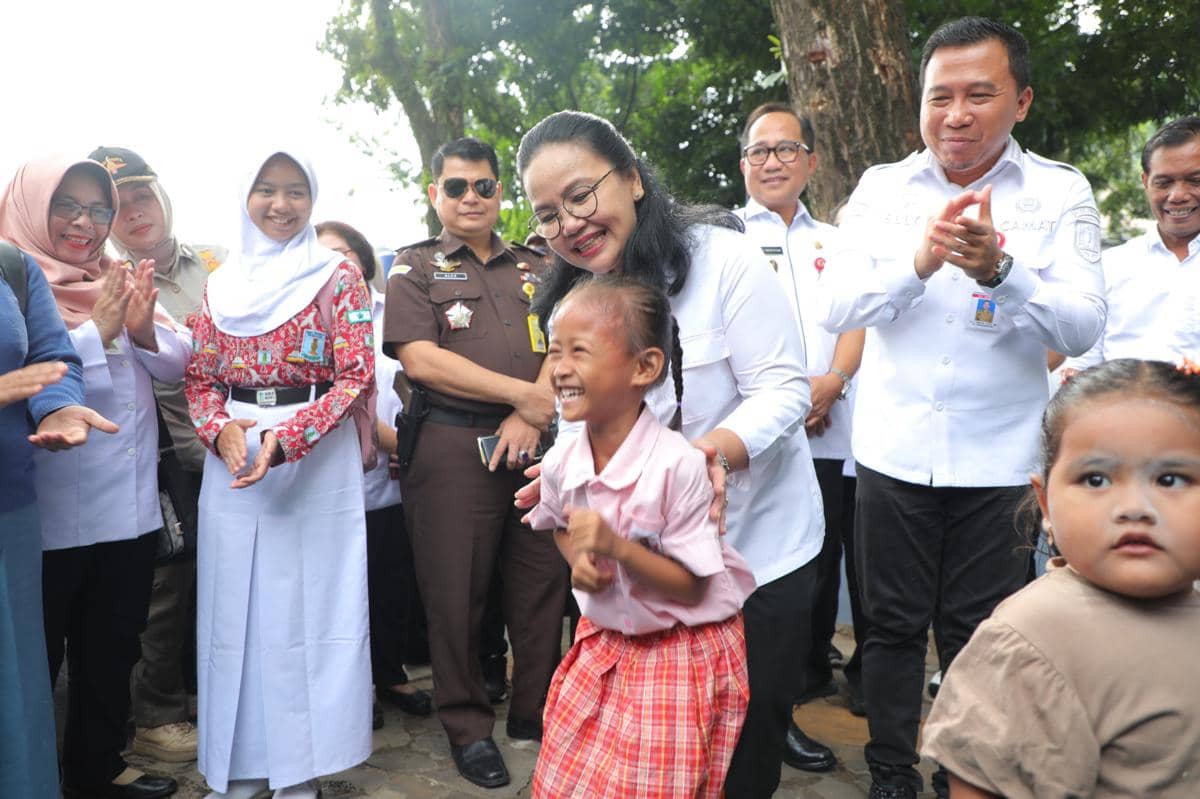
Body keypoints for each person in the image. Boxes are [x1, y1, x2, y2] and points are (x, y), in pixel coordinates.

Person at [818, 17, 1106, 799]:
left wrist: (1003, 270)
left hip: (1000, 458)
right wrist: (918, 263)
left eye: (980, 94)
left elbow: (1085, 323)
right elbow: (836, 301)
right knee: (888, 625)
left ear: (1022, 100)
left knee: (983, 632)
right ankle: (889, 769)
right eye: (939, 95)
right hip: (891, 453)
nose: (956, 113)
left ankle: (964, 772)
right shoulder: (881, 190)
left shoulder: (1060, 191)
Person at [518, 110, 824, 799]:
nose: (568, 223)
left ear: (630, 179)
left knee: (741, 754)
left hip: (758, 551)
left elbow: (782, 389)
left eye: (579, 195)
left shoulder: (725, 261)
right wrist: (566, 479)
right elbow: (575, 420)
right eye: (547, 213)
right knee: (647, 755)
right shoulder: (571, 299)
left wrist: (709, 454)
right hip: (644, 575)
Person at [921, 358, 1200, 797]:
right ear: (1046, 505)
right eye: (1095, 479)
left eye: (1170, 478)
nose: (1135, 507)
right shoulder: (1027, 641)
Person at [186, 151, 375, 799]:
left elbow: (355, 374)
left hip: (315, 457)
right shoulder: (220, 283)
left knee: (309, 610)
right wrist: (223, 431)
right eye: (266, 189)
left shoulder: (335, 276)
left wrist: (286, 441)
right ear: (246, 194)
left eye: (296, 191)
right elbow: (201, 376)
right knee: (233, 612)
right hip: (233, 458)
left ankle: (298, 773)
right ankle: (237, 768)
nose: (281, 204)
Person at [0, 156, 191, 799]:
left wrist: (137, 330)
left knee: (112, 653)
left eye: (97, 209)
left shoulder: (113, 276)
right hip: (45, 514)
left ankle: (98, 770)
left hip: (126, 512)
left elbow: (180, 360)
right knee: (36, 660)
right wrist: (96, 333)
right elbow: (34, 369)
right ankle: (35, 777)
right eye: (68, 207)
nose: (85, 223)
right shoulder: (19, 281)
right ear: (30, 206)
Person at [383, 136, 568, 788]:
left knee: (542, 582)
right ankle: (467, 726)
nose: (471, 197)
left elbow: (566, 335)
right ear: (436, 194)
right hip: (452, 448)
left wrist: (533, 408)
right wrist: (521, 395)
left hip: (537, 444)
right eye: (456, 186)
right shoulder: (415, 267)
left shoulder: (536, 266)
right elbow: (419, 358)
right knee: (455, 592)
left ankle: (533, 712)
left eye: (483, 186)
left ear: (499, 192)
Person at [526, 275, 756, 797]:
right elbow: (561, 525)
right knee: (571, 779)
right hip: (605, 644)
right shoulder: (562, 459)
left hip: (678, 652)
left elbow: (693, 586)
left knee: (653, 786)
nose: (560, 368)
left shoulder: (677, 465)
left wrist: (616, 549)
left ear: (644, 367)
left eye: (579, 351)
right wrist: (581, 560)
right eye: (555, 350)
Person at [735, 101, 869, 753]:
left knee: (813, 572)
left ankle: (785, 703)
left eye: (786, 149)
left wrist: (832, 383)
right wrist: (787, 401)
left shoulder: (837, 242)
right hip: (755, 440)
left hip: (828, 429)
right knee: (754, 572)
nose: (772, 162)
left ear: (810, 161)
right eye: (759, 150)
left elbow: (856, 323)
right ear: (742, 165)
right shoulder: (723, 238)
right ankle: (741, 705)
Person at [89, 144, 228, 764]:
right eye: (119, 206)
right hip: (167, 456)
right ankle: (156, 716)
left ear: (162, 195)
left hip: (242, 448)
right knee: (167, 585)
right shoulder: (105, 281)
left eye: (142, 195)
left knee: (230, 580)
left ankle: (215, 694)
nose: (135, 213)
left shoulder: (219, 264)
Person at [0, 242, 118, 799]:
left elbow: (54, 357)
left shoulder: (11, 266)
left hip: (10, 513)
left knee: (16, 693)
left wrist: (59, 406)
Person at [315, 220, 432, 725]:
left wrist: (413, 447)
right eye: (322, 256)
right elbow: (336, 399)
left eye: (344, 253)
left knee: (390, 583)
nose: (337, 264)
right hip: (335, 480)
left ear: (363, 261)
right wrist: (396, 442)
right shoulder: (307, 320)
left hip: (392, 482)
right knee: (341, 591)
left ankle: (388, 673)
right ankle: (352, 686)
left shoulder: (392, 314)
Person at [1064, 117, 1200, 374]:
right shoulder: (1110, 266)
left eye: (1195, 180)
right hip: (1120, 409)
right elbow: (1082, 362)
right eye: (1164, 182)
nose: (1178, 195)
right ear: (1145, 182)